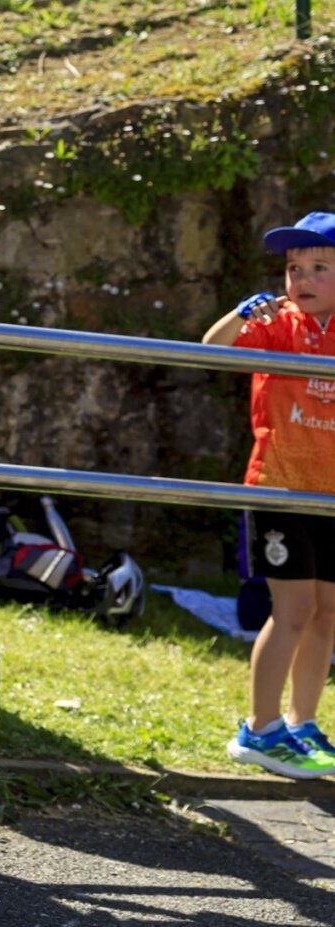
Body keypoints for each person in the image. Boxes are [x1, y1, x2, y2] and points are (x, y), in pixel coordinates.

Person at [204, 211, 335, 779]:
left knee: (328, 613)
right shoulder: (279, 323)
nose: (301, 278)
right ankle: (258, 730)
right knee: (294, 610)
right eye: (292, 267)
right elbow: (212, 348)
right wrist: (240, 312)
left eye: (319, 267)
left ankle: (301, 725)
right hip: (279, 486)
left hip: (331, 495)